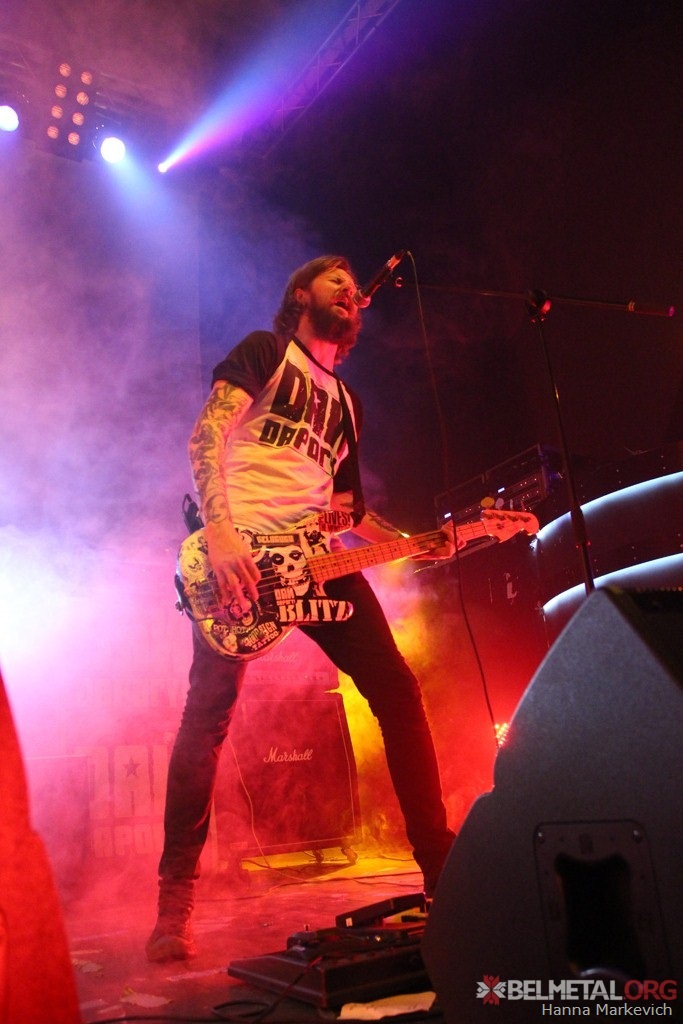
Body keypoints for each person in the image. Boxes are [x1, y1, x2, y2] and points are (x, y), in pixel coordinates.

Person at [146, 255, 456, 963]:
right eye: (333, 278)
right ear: (300, 295)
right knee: (207, 719)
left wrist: (419, 542)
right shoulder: (266, 352)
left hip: (318, 562)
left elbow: (349, 513)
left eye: (352, 283)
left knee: (397, 691)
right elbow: (206, 436)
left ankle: (442, 873)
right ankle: (174, 903)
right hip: (240, 559)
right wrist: (221, 534)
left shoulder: (347, 404)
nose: (349, 288)